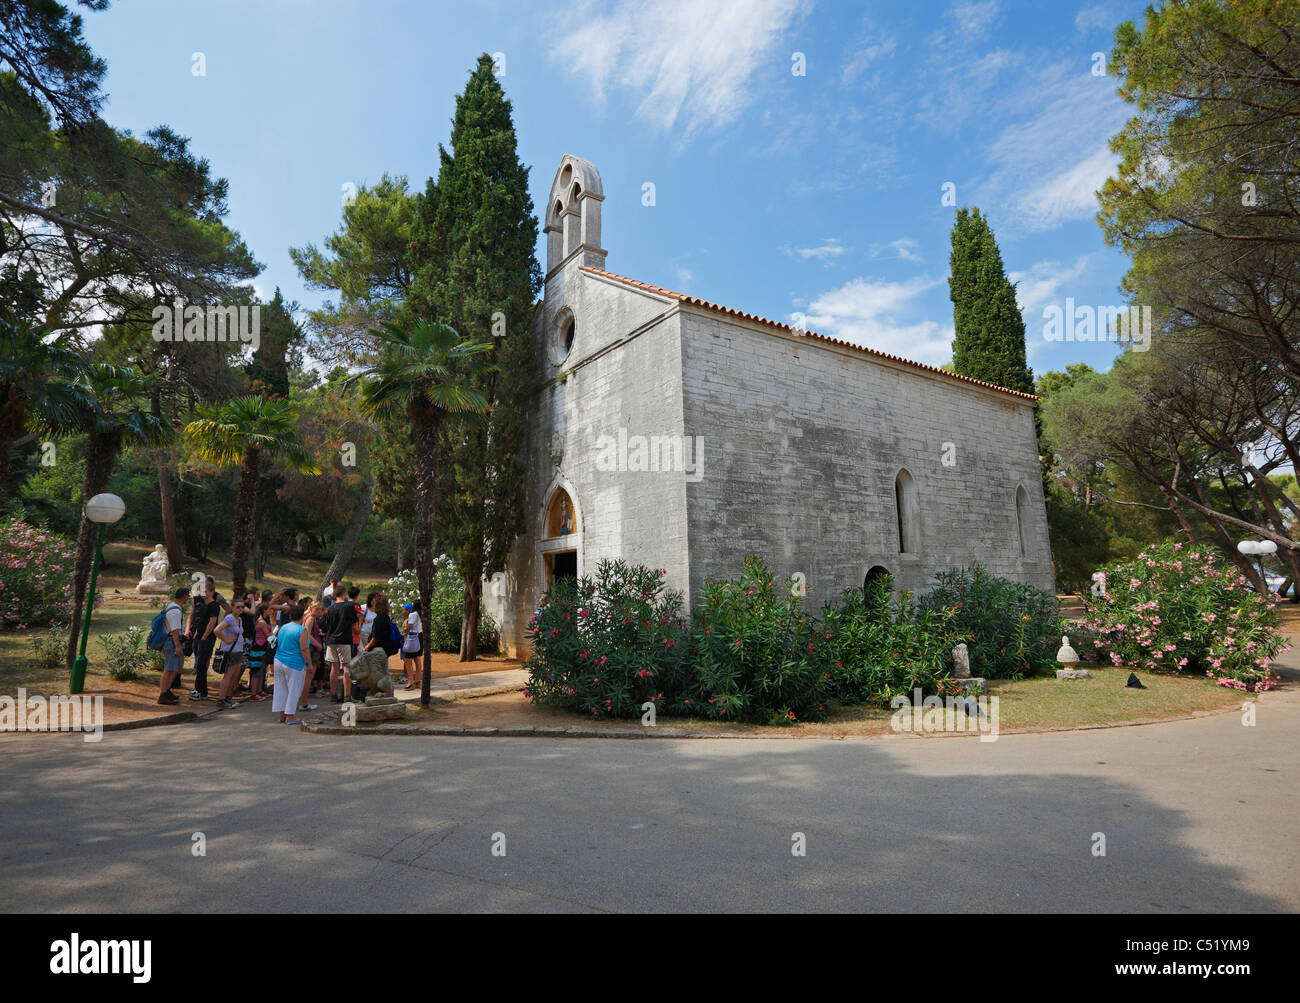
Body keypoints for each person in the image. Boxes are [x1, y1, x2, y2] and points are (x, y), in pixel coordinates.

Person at [270, 604, 312, 725]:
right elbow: (304, 648)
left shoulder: (283, 627)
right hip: (294, 663)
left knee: (280, 688)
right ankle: (290, 717)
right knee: (294, 689)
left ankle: (282, 715)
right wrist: (309, 664)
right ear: (302, 616)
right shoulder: (301, 630)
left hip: (278, 660)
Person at [187, 579, 223, 701]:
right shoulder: (202, 605)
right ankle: (198, 689)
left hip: (206, 639)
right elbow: (199, 621)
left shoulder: (214, 606)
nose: (202, 593)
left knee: (201, 665)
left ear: (211, 592)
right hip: (198, 637)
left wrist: (203, 637)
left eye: (205, 591)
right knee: (197, 665)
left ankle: (202, 692)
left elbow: (212, 622)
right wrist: (196, 634)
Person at [322, 587, 358, 702]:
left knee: (334, 667)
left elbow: (327, 624)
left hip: (331, 639)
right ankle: (347, 696)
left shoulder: (330, 608)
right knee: (346, 667)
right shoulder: (349, 606)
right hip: (345, 639)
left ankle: (333, 695)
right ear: (344, 594)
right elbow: (354, 621)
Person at [157, 587, 191, 705]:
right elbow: (175, 630)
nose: (188, 599)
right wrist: (177, 646)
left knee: (173, 669)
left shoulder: (172, 606)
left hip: (171, 641)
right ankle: (163, 694)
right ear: (185, 596)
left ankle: (166, 691)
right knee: (169, 670)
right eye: (188, 596)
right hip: (172, 642)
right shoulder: (175, 611)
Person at [213, 599, 247, 709]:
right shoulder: (229, 618)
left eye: (242, 607)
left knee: (234, 675)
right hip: (230, 651)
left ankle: (228, 697)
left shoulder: (240, 619)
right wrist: (226, 639)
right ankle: (221, 699)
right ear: (232, 608)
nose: (240, 609)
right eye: (238, 607)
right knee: (228, 675)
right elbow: (217, 630)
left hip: (237, 651)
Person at [364, 594, 402, 678]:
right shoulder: (385, 617)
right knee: (384, 670)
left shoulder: (379, 619)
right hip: (385, 649)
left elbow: (376, 637)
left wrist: (367, 647)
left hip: (378, 649)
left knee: (378, 671)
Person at [245, 603, 272, 701]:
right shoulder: (261, 622)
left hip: (263, 648)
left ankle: (260, 691)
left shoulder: (265, 620)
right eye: (269, 609)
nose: (271, 611)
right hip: (258, 649)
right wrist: (275, 632)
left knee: (262, 671)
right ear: (264, 611)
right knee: (256, 672)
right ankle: (253, 693)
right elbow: (268, 634)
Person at [401, 600, 423, 693]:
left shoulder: (413, 614)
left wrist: (402, 631)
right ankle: (418, 681)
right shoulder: (422, 614)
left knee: (407, 660)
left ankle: (411, 681)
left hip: (413, 638)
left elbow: (409, 626)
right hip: (420, 637)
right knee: (417, 659)